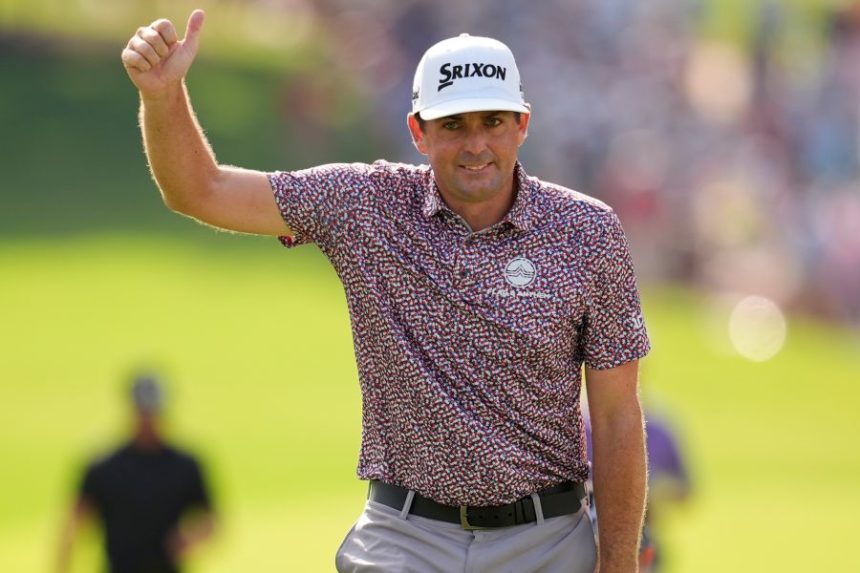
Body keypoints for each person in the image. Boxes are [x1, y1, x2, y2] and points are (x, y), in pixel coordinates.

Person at [120, 10, 650, 572]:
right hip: (406, 538)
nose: (476, 144)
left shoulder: (587, 233)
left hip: (545, 540)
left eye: (493, 121)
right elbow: (202, 191)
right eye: (453, 125)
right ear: (418, 131)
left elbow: (617, 416)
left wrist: (617, 564)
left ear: (522, 124)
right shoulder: (367, 205)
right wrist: (162, 95)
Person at [56, 374, 216, 573]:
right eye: (143, 412)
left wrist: (190, 537)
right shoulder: (104, 467)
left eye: (153, 411)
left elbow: (211, 520)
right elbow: (74, 524)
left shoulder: (185, 466)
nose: (148, 419)